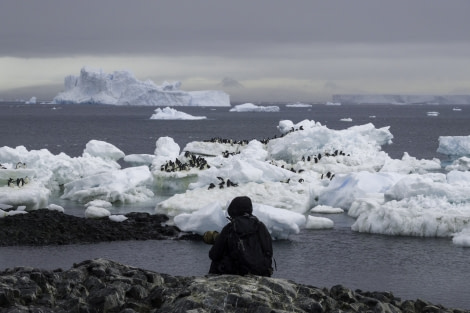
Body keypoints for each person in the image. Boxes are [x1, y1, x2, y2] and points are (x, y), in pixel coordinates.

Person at [203, 196, 273, 276]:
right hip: (260, 272)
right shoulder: (260, 226)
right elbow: (268, 252)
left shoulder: (230, 228)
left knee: (217, 260)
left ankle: (212, 282)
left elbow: (214, 255)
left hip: (237, 272)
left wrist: (217, 239)